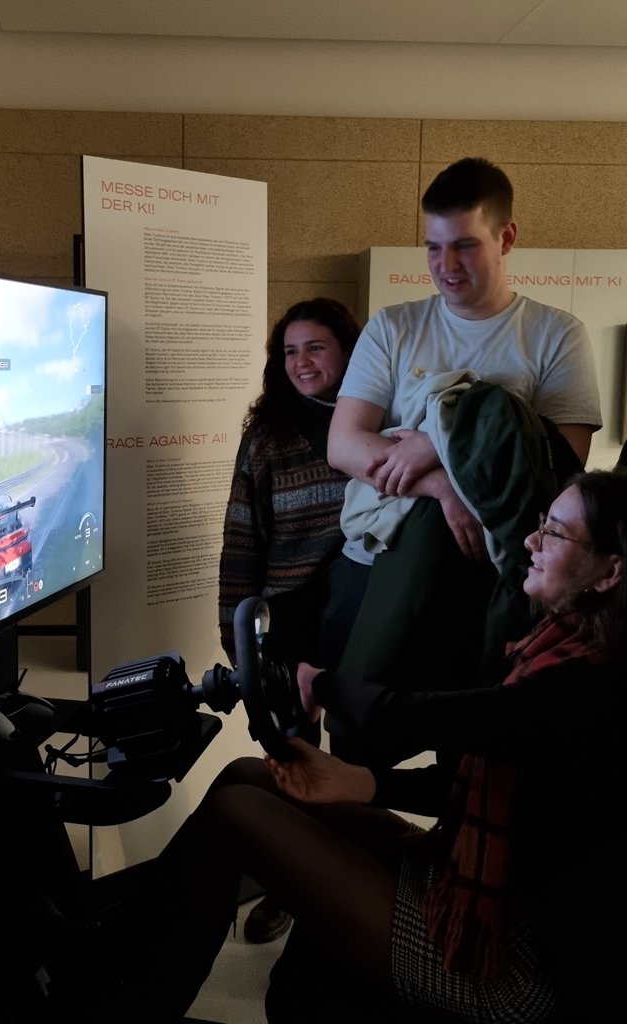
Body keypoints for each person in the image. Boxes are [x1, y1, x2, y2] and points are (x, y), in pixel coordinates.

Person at [106, 468, 626, 1024]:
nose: (530, 541)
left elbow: (443, 719)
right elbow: (471, 783)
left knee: (236, 814)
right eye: (542, 524)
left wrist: (324, 686)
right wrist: (364, 783)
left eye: (555, 533)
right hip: (467, 882)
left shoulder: (591, 684)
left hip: (508, 957)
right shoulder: (557, 646)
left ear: (610, 572)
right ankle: (124, 970)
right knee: (246, 776)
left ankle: (132, 1004)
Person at [320, 156, 602, 755]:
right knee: (356, 736)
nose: (446, 266)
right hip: (376, 565)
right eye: (433, 247)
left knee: (469, 752)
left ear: (507, 237)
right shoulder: (393, 327)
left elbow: (561, 464)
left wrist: (432, 443)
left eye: (465, 246)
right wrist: (443, 486)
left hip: (487, 575)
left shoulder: (555, 335)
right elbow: (344, 444)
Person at [218, 296, 360, 944]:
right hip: (288, 617)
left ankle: (351, 886)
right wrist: (237, 636)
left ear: (347, 352)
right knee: (293, 755)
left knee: (355, 755)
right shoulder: (267, 436)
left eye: (316, 348)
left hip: (357, 611)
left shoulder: (375, 423)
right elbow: (241, 536)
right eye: (290, 351)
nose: (301, 362)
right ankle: (288, 885)